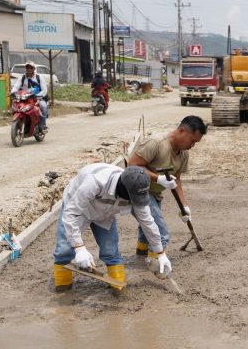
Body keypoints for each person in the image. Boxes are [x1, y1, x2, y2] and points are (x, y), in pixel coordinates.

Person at [53, 164, 170, 292]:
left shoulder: (136, 189)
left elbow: (148, 223)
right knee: (64, 249)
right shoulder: (94, 181)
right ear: (123, 189)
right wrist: (79, 248)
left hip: (105, 214)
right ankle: (63, 288)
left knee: (110, 250)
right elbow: (71, 213)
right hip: (79, 210)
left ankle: (118, 286)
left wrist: (160, 252)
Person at [128, 115, 207, 257]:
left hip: (155, 194)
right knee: (159, 231)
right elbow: (132, 166)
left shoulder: (183, 154)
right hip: (139, 191)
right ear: (182, 131)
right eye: (192, 140)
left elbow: (176, 180)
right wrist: (158, 179)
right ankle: (157, 265)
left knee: (148, 227)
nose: (192, 145)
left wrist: (184, 207)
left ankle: (141, 255)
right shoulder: (156, 143)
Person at [10, 61, 48, 132]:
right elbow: (16, 87)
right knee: (15, 107)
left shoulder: (39, 77)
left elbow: (44, 90)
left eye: (31, 67)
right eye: (27, 67)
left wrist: (38, 95)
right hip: (24, 99)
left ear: (34, 68)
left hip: (37, 98)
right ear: (26, 69)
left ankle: (42, 126)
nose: (29, 69)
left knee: (43, 107)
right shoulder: (22, 77)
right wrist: (12, 92)